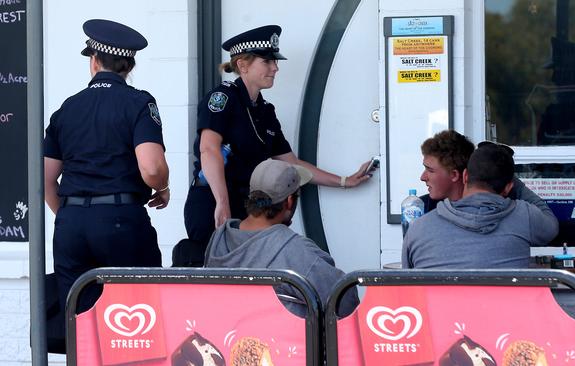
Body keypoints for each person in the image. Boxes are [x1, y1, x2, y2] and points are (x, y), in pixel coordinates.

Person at [184, 25, 372, 251]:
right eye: (267, 62)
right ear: (243, 65)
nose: (275, 68)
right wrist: (222, 203)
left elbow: (291, 163)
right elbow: (209, 149)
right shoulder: (222, 98)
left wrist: (344, 181)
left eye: (275, 62)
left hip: (248, 206)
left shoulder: (264, 110)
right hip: (213, 203)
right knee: (215, 281)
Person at [44, 19, 168, 311]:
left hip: (71, 225)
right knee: (138, 319)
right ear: (129, 66)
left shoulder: (66, 108)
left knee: (80, 320)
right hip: (120, 221)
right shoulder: (138, 102)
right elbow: (151, 169)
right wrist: (162, 186)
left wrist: (70, 215)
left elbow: (44, 181)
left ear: (94, 61)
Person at [204, 159, 359, 317]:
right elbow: (345, 302)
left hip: (228, 338)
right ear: (290, 201)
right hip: (286, 340)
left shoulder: (219, 239)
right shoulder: (295, 250)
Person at [402, 143, 559, 269]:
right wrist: (514, 183)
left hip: (440, 310)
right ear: (508, 187)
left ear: (465, 176)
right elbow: (551, 224)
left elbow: (408, 286)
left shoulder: (418, 229)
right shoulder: (524, 216)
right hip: (503, 309)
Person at [419, 130, 552, 215]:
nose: (422, 177)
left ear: (456, 175)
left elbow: (549, 224)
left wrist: (504, 173)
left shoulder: (498, 208)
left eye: (430, 170)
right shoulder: (420, 207)